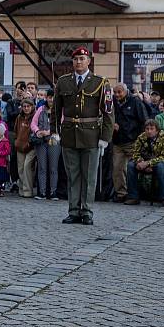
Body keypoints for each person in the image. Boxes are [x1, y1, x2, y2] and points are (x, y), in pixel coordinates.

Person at [52, 47, 114, 225]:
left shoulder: (100, 82)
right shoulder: (63, 82)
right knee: (73, 175)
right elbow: (56, 110)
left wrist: (105, 137)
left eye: (81, 58)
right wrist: (55, 131)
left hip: (91, 135)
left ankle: (86, 211)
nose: (78, 62)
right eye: (75, 59)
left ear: (89, 61)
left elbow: (108, 112)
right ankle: (73, 210)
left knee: (89, 176)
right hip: (69, 134)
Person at [125, 119, 164, 206]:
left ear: (157, 130)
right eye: (147, 129)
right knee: (131, 165)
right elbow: (135, 153)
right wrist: (140, 162)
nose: (149, 131)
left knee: (161, 166)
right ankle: (133, 197)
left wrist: (148, 163)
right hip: (147, 162)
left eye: (152, 129)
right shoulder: (141, 137)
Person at [111, 83, 148, 203]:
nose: (117, 94)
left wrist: (141, 140)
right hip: (118, 141)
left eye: (119, 92)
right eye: (115, 92)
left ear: (126, 91)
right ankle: (121, 193)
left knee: (132, 169)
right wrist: (112, 124)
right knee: (117, 169)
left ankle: (133, 194)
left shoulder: (135, 101)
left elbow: (144, 120)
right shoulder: (112, 102)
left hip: (133, 140)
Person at [31, 91, 60, 200]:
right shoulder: (41, 109)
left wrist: (49, 132)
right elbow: (33, 123)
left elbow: (62, 124)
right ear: (47, 98)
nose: (51, 99)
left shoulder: (60, 110)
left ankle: (53, 192)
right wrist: (38, 131)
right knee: (42, 167)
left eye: (53, 97)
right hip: (41, 141)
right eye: (49, 97)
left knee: (53, 167)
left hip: (54, 140)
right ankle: (41, 192)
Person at [14, 99, 38, 198]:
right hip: (20, 146)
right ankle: (22, 190)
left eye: (28, 106)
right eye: (24, 106)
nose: (26, 108)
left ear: (32, 107)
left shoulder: (35, 117)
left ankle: (28, 191)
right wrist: (16, 141)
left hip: (31, 146)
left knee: (27, 167)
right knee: (20, 169)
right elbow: (16, 130)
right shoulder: (19, 117)